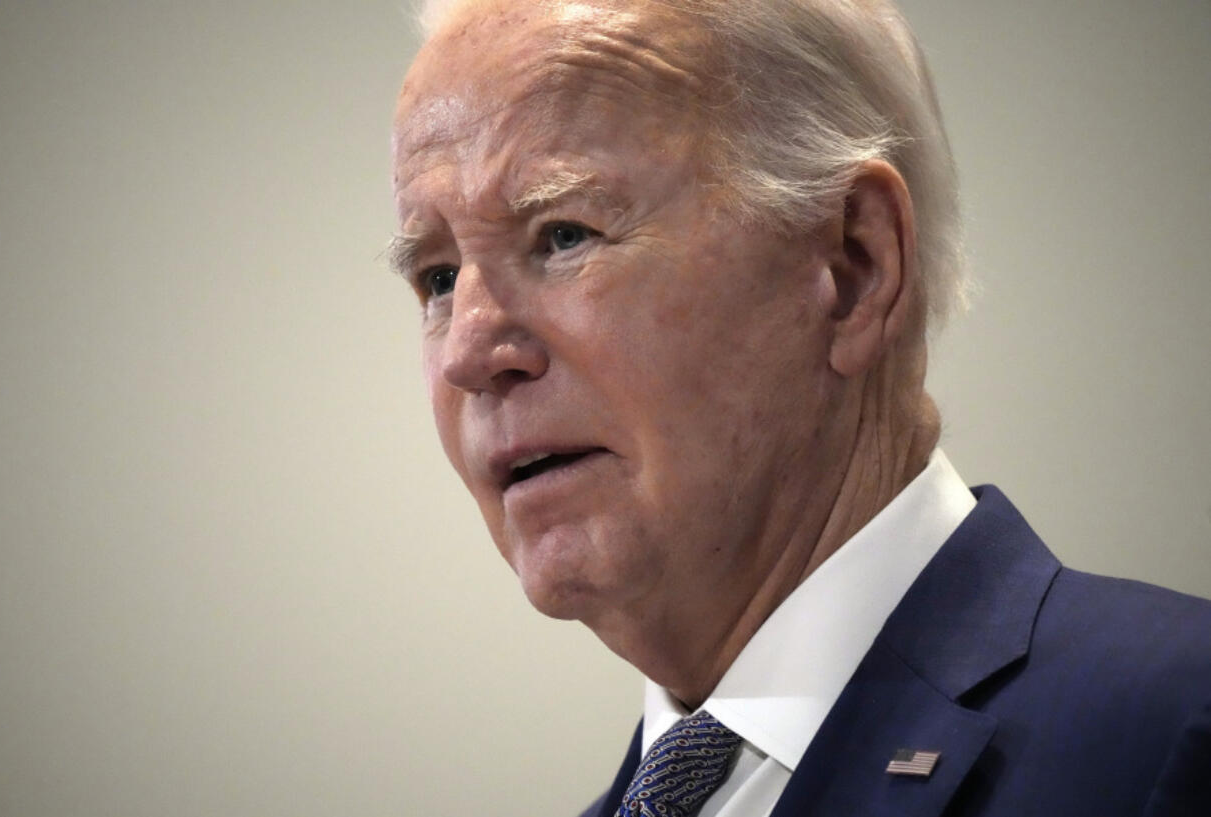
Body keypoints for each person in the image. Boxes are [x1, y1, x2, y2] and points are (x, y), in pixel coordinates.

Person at [388, 0, 1211, 814]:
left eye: (563, 235)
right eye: (437, 278)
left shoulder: (1173, 729)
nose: (468, 354)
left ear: (853, 267)